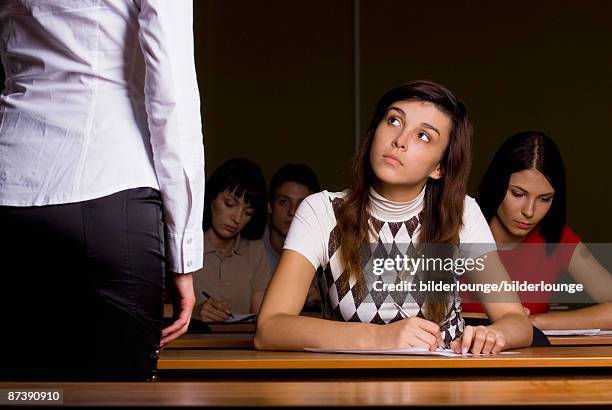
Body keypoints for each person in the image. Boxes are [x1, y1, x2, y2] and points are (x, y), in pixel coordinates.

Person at [0, 1, 203, 380]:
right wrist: (183, 252)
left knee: (22, 390)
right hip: (110, 183)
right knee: (119, 392)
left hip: (12, 182)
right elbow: (171, 95)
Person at [255, 80, 532, 354]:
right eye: (394, 121)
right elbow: (270, 329)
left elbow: (517, 321)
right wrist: (380, 337)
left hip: (445, 387)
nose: (399, 140)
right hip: (351, 390)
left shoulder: (462, 212)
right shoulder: (321, 211)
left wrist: (494, 335)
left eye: (423, 136)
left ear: (439, 167)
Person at [464, 131, 612, 330]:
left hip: (530, 358)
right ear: (496, 185)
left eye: (544, 199)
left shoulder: (557, 240)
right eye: (518, 194)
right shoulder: (458, 232)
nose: (529, 211)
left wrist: (534, 322)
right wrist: (508, 320)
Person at [193, 158, 271, 322]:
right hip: (186, 345)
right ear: (211, 196)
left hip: (240, 344)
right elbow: (146, 309)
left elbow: (260, 319)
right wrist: (193, 312)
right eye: (229, 204)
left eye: (248, 213)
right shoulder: (185, 244)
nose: (237, 218)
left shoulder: (254, 249)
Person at [264, 164, 321, 309]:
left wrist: (322, 298)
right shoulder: (250, 250)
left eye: (303, 204)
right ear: (270, 206)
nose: (293, 211)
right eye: (284, 202)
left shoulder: (325, 248)